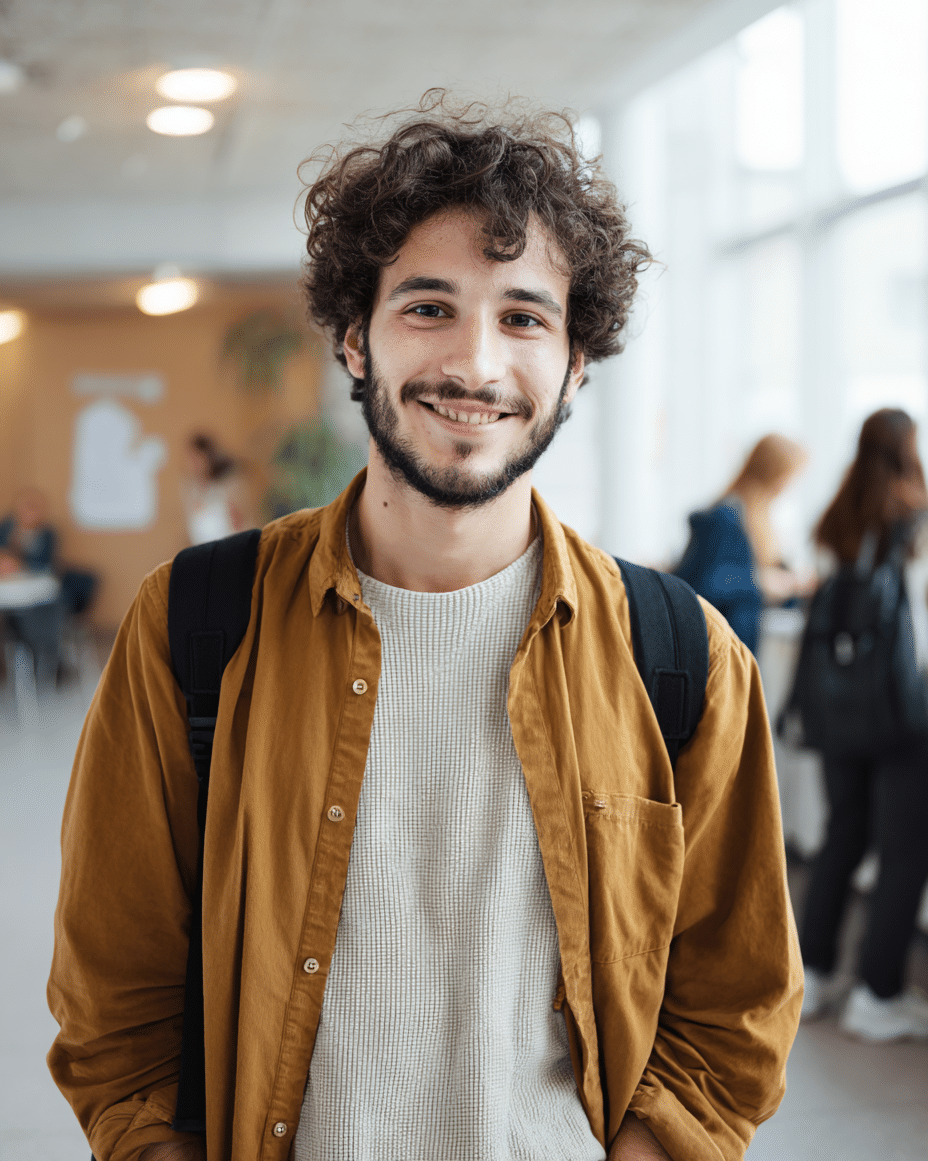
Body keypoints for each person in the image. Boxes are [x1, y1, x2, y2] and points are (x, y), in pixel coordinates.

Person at [48, 98, 801, 1161]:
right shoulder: (194, 621)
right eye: (429, 307)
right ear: (356, 336)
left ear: (577, 361)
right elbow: (111, 996)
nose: (476, 365)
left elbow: (736, 1004)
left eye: (525, 317)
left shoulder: (680, 656)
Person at [798, 408, 928, 1041]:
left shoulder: (836, 516)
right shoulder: (915, 517)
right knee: (903, 849)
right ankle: (878, 995)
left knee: (843, 833)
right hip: (903, 709)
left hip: (836, 705)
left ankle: (814, 975)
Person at [673, 434, 810, 654]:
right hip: (714, 646)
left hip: (740, 645)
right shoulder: (724, 518)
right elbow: (702, 584)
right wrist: (761, 583)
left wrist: (793, 587)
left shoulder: (759, 521)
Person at [0, 487, 64, 690]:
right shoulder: (7, 528)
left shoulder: (47, 533)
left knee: (33, 617)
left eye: (33, 508)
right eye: (24, 507)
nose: (28, 512)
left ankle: (42, 659)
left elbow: (45, 564)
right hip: (8, 588)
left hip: (33, 599)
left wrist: (19, 561)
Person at [181, 433, 251, 546]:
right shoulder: (191, 490)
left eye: (196, 458)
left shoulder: (228, 486)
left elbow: (239, 522)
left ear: (207, 456)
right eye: (190, 458)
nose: (192, 463)